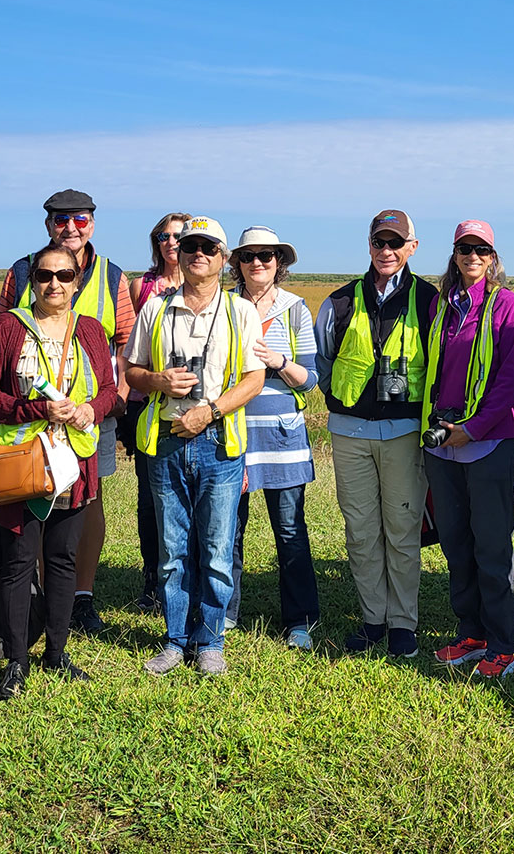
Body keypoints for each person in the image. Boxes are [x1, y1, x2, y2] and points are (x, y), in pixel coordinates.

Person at [0, 244, 118, 700]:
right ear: (31, 280)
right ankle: (17, 660)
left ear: (77, 281)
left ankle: (56, 651)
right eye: (45, 275)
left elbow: (111, 391)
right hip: (21, 465)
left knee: (62, 560)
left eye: (65, 276)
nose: (55, 284)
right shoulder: (9, 327)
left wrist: (89, 411)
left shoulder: (90, 330)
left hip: (72, 466)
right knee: (17, 563)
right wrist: (34, 408)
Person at [124, 216, 265, 676]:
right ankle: (174, 639)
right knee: (171, 548)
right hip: (165, 443)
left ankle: (211, 641)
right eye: (189, 247)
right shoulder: (157, 309)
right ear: (178, 256)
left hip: (219, 443)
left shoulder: (240, 311)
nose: (197, 254)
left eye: (208, 247)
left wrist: (211, 410)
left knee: (218, 548)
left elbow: (254, 378)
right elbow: (133, 372)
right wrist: (159, 380)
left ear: (224, 260)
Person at [0, 189, 136, 637]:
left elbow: (127, 347)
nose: (70, 228)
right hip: (28, 420)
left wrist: (107, 406)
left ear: (92, 224)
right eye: (60, 220)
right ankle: (38, 594)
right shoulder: (21, 271)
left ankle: (81, 597)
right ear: (48, 225)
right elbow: (2, 334)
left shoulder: (113, 277)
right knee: (33, 500)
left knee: (87, 501)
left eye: (79, 219)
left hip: (88, 418)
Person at [315, 210, 439, 658]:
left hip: (405, 433)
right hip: (349, 435)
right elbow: (322, 363)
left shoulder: (430, 301)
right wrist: (343, 398)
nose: (386, 251)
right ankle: (373, 620)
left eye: (395, 243)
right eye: (378, 242)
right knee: (362, 531)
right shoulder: (341, 300)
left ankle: (403, 623)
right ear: (368, 246)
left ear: (412, 247)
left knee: (403, 531)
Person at [424, 220, 514, 679]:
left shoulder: (504, 304)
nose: (472, 256)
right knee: (455, 543)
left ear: (492, 256)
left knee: (491, 546)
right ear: (454, 254)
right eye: (464, 248)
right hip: (442, 445)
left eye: (480, 249)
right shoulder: (441, 304)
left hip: (487, 443)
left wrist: (475, 427)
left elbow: (513, 376)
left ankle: (503, 643)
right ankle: (471, 634)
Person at [224, 226, 321, 650]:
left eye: (267, 255)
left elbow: (311, 379)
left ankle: (300, 621)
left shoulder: (296, 309)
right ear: (237, 264)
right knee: (227, 530)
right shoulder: (223, 306)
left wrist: (279, 360)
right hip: (231, 433)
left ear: (280, 263)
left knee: (289, 529)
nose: (258, 263)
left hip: (283, 438)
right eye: (249, 256)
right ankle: (223, 614)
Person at [126, 211, 192, 614]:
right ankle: (152, 580)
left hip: (197, 405)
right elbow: (131, 348)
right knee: (150, 498)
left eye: (180, 236)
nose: (172, 242)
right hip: (148, 404)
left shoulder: (209, 287)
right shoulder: (142, 286)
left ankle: (189, 579)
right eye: (164, 236)